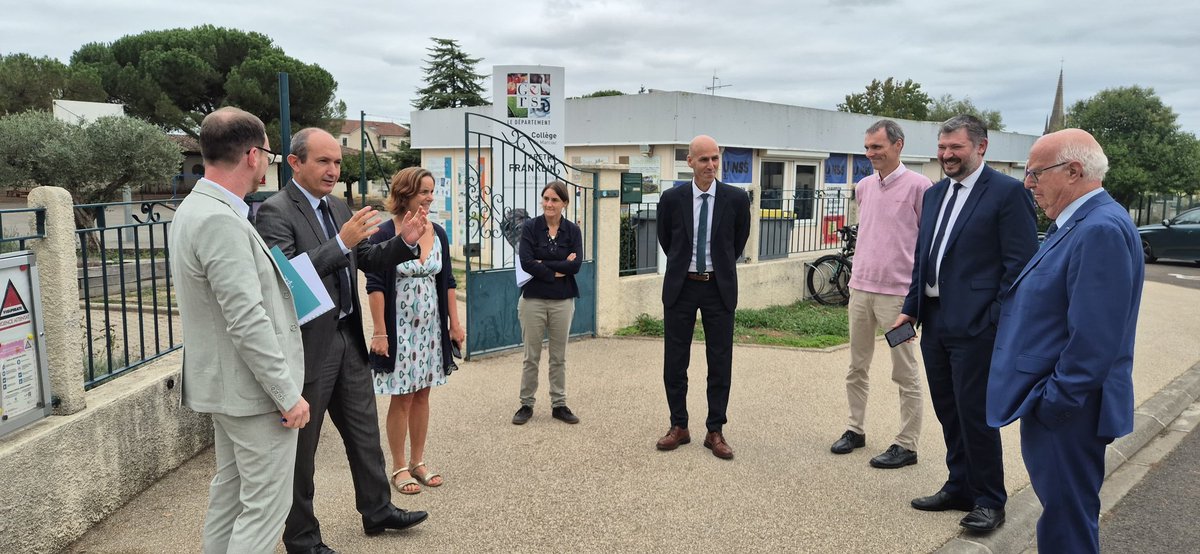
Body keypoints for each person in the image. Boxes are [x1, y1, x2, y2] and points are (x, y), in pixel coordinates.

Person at [255, 128, 428, 554]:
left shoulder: (336, 205)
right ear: (295, 163)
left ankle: (378, 510)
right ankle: (302, 539)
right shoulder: (274, 212)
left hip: (349, 339)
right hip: (310, 347)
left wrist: (403, 242)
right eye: (324, 162)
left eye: (337, 162)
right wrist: (340, 243)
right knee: (302, 451)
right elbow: (286, 281)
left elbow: (364, 258)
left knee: (365, 434)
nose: (334, 170)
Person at [988, 129, 1143, 553]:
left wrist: (1053, 402)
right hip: (1067, 407)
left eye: (1035, 173)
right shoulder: (1081, 221)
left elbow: (1094, 339)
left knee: (1067, 523)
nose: (1027, 183)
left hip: (1070, 411)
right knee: (1064, 515)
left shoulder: (1099, 229)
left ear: (1074, 171)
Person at [170, 107, 310, 553]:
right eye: (268, 152)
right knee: (266, 507)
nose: (267, 162)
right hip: (252, 395)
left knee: (230, 499)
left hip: (229, 390)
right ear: (252, 155)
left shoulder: (195, 209)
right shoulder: (219, 220)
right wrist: (287, 393)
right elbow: (246, 319)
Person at [892, 115, 1038, 532]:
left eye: (955, 147)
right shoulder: (935, 194)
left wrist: (993, 320)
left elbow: (1020, 269)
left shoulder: (1008, 194)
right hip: (934, 323)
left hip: (977, 329)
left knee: (975, 414)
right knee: (948, 411)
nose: (946, 155)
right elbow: (925, 258)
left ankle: (991, 498)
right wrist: (912, 306)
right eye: (942, 147)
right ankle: (959, 486)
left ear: (981, 147)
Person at [831, 120, 932, 469]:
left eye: (878, 147)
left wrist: (916, 299)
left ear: (898, 145)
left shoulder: (921, 186)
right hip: (860, 291)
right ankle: (854, 430)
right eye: (868, 147)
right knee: (856, 366)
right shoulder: (863, 187)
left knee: (904, 371)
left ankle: (907, 444)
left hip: (898, 299)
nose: (871, 153)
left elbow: (928, 246)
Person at [366, 167, 464, 495]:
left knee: (423, 393)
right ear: (405, 192)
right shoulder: (384, 233)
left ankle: (418, 461)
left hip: (431, 330)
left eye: (432, 191)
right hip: (400, 329)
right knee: (403, 396)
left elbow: (447, 281)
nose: (430, 197)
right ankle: (398, 465)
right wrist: (380, 332)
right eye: (424, 191)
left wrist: (455, 323)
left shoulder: (438, 232)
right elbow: (376, 284)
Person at [654, 135, 751, 460]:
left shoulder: (736, 199)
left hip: (718, 288)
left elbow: (737, 243)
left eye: (715, 159)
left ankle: (715, 430)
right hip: (681, 287)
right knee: (675, 361)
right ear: (690, 162)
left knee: (720, 362)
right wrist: (687, 266)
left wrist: (715, 268)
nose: (710, 165)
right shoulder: (672, 198)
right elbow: (667, 240)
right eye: (704, 159)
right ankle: (678, 426)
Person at [512, 181, 584, 425]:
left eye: (554, 200)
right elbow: (526, 261)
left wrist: (544, 263)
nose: (549, 204)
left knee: (558, 356)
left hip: (562, 301)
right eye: (546, 199)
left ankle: (559, 404)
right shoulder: (531, 228)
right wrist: (557, 269)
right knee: (530, 355)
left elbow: (576, 265)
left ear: (564, 203)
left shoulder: (573, 231)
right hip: (533, 300)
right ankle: (526, 404)